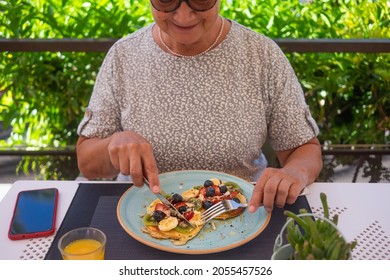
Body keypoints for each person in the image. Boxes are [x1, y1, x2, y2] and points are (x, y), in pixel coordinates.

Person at [76, 0, 323, 213]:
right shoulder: (124, 56)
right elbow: (87, 162)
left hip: (241, 214)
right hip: (139, 216)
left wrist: (295, 171)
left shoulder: (261, 54)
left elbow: (303, 148)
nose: (184, 16)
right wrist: (112, 144)